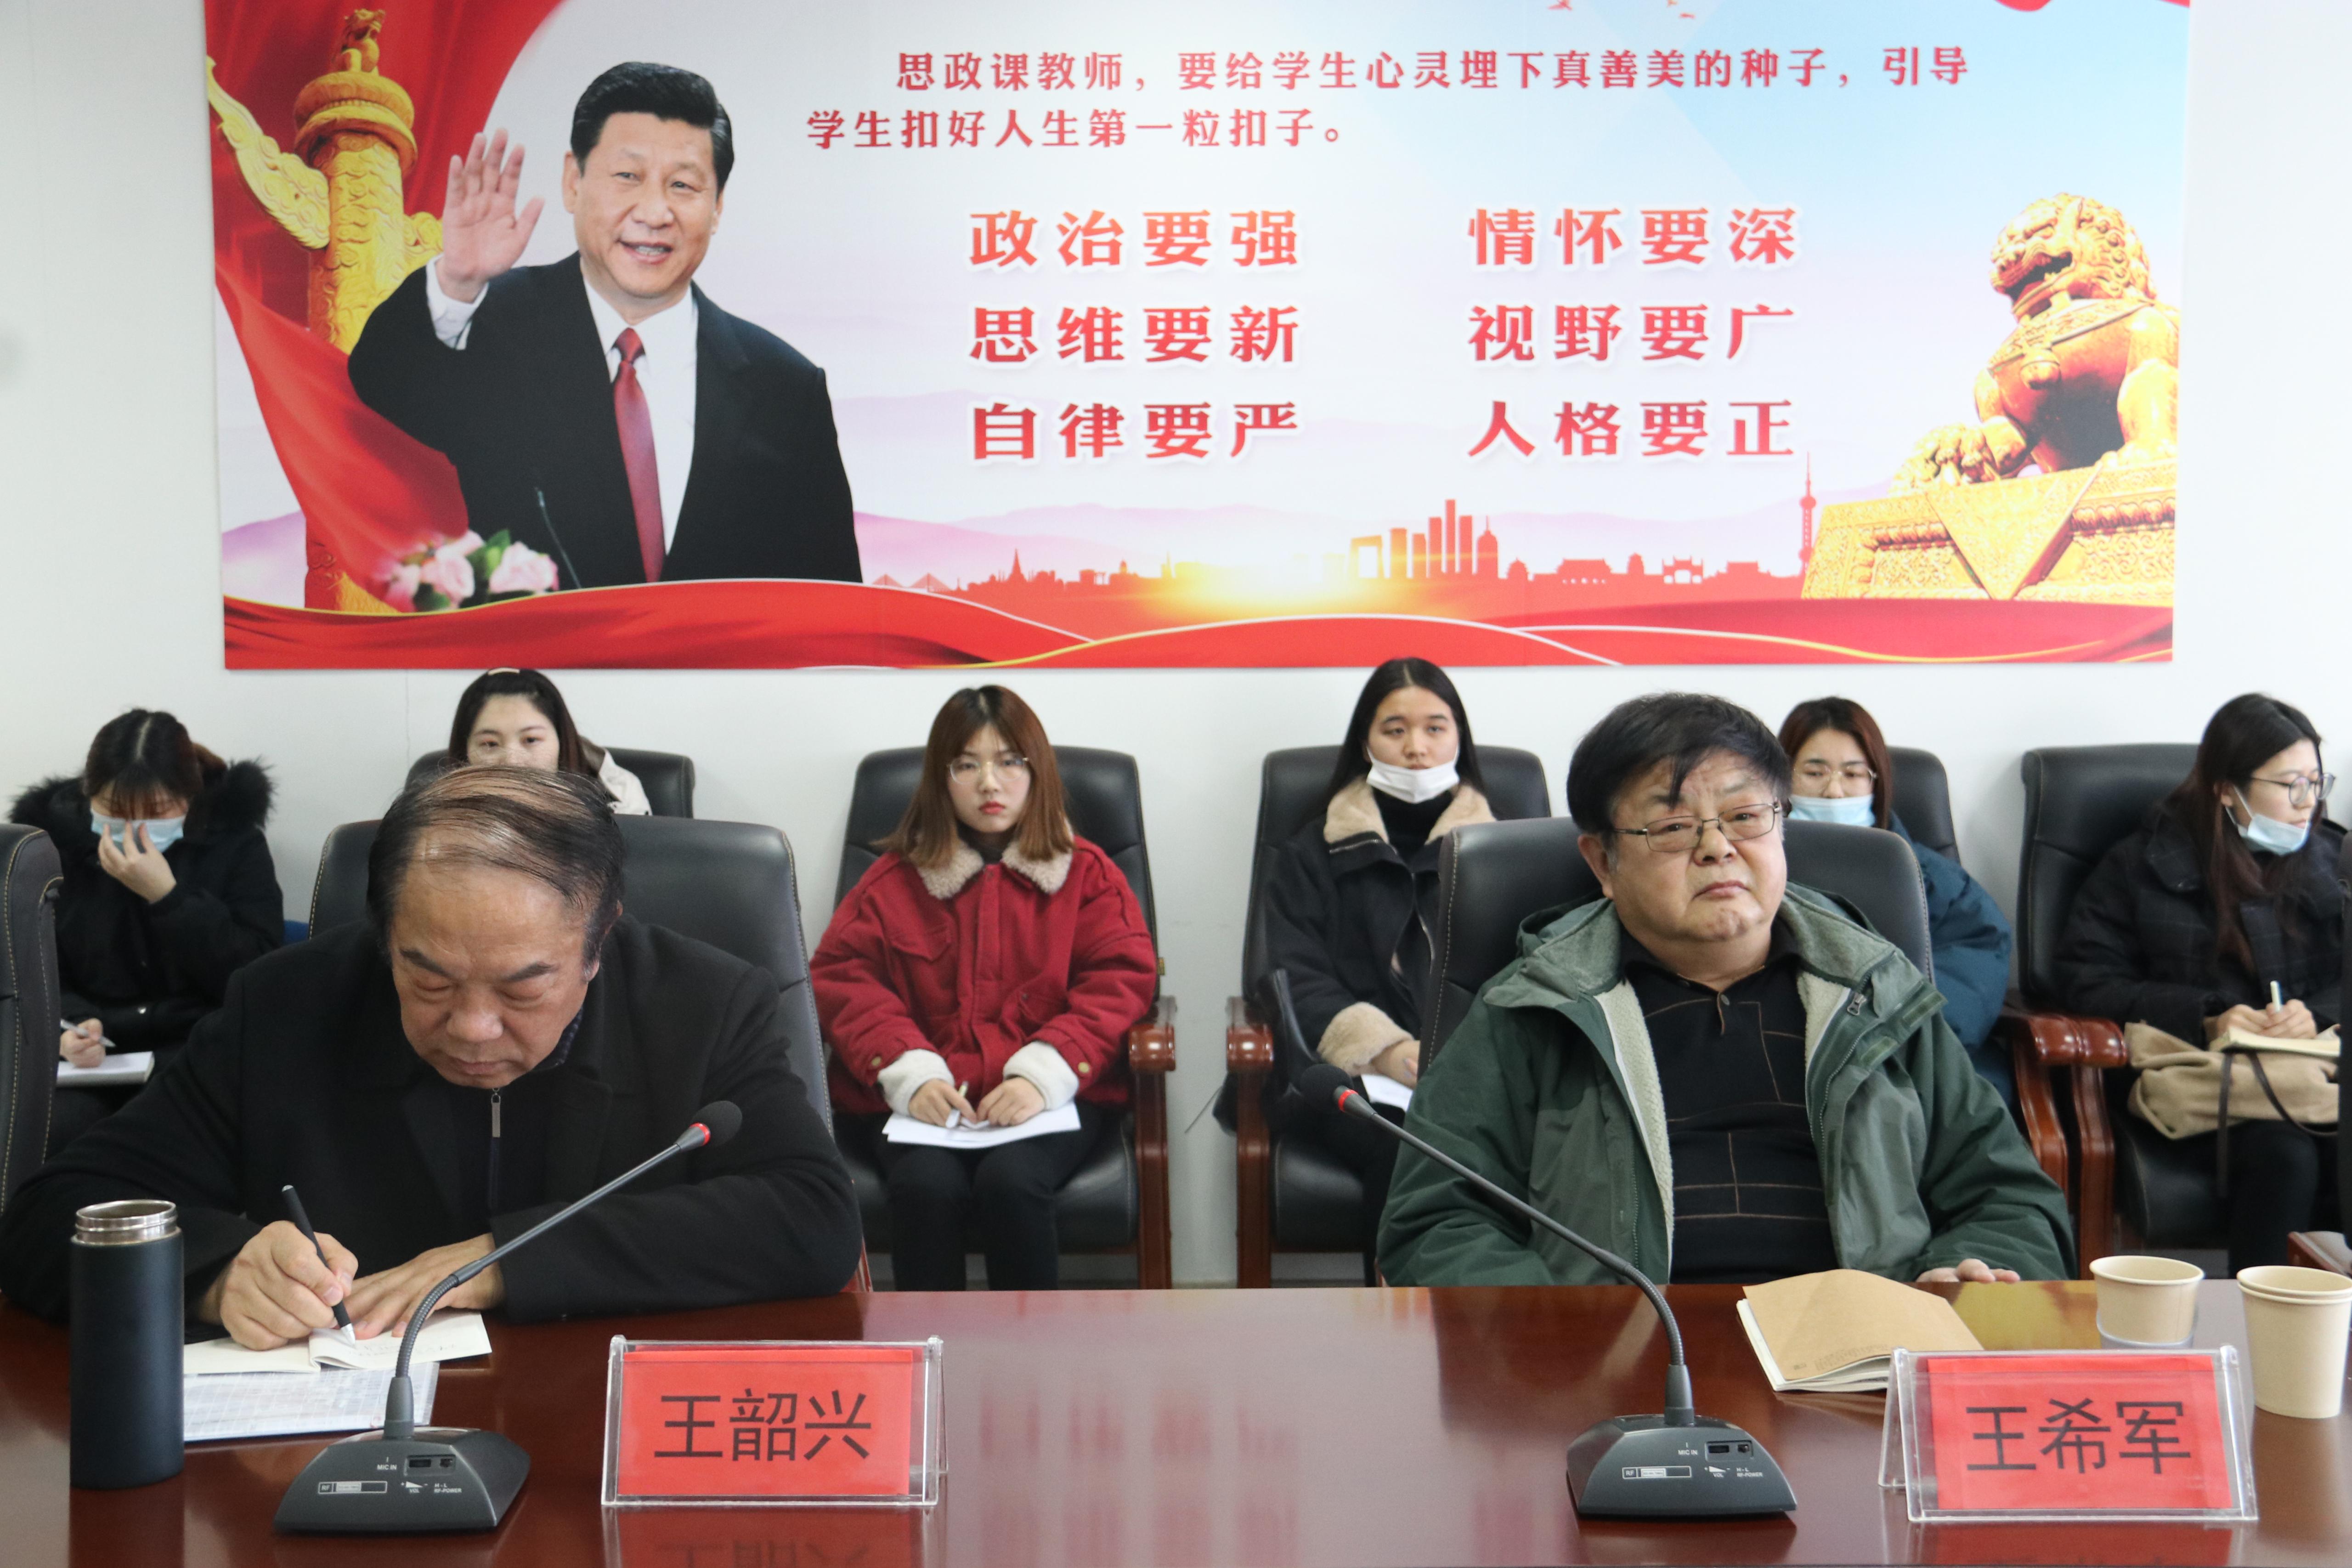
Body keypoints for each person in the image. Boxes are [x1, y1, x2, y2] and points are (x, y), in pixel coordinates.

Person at [0, 767, 862, 1342]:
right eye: (430, 977)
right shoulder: (286, 1008)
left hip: (598, 1442)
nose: (473, 1027)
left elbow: (815, 1219)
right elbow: (48, 1217)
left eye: (523, 988)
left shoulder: (702, 1004)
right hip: (341, 1460)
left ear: (600, 944)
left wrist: (506, 1260)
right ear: (386, 934)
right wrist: (214, 1272)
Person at [1381, 693, 2071, 1288]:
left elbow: (2013, 1201)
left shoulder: (1876, 992)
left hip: (1864, 1362)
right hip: (1622, 1363)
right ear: (1603, 862)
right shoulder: (1535, 1005)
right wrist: (1564, 1326)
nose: (1717, 848)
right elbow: (1434, 1219)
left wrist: (1961, 1276)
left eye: (1745, 817)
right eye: (1674, 827)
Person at [349, 63, 860, 590]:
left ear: (716, 207)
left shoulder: (785, 388)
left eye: (683, 185)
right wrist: (456, 279)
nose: (655, 213)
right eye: (627, 177)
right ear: (574, 181)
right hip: (531, 648)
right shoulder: (488, 326)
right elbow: (381, 385)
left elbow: (831, 600)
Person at [816, 687, 1157, 1291]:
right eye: (966, 765)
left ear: (1037, 771)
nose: (989, 784)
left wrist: (1043, 1074)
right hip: (927, 1104)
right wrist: (910, 1073)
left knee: (1013, 1183)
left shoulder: (1088, 876)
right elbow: (843, 977)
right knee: (926, 1186)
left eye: (1009, 762)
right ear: (941, 779)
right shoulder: (893, 880)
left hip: (1047, 1103)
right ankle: (933, 1347)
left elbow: (1121, 979)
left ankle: (1026, 1350)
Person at [2052, 693, 2344, 1274]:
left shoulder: (2335, 859)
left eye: (2315, 782)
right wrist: (2208, 1014)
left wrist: (2314, 1012)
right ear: (2226, 789)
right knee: (2284, 1156)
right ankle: (2263, 1319)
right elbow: (2084, 981)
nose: (2306, 803)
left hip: (2317, 1073)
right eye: (2289, 785)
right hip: (2207, 1081)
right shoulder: (2140, 865)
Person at [1259, 658, 1498, 1280]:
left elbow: (1529, 968)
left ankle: (1508, 1317)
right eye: (1395, 729)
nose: (1416, 748)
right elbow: (1294, 975)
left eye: (1435, 728)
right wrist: (1388, 1051)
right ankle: (1395, 1313)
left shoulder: (1505, 852)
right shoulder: (1312, 851)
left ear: (1459, 738)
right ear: (1364, 741)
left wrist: (1461, 1056)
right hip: (1354, 1080)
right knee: (1408, 1144)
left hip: (1480, 1071)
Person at [8, 711, 283, 1149]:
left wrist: (169, 898)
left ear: (189, 798)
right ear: (88, 796)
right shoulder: (52, 849)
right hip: (95, 1058)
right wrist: (69, 1028)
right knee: (53, 1138)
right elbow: (32, 966)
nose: (134, 828)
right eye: (116, 811)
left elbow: (259, 974)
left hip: (196, 1047)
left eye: (156, 812)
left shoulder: (235, 843)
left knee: (165, 1139)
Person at [1777, 698, 2017, 1106]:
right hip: (1789, 1056)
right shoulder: (1747, 872)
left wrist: (1887, 1029)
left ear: (1878, 783)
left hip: (1911, 1060)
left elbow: (1976, 957)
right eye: (1815, 772)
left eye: (1853, 773)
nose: (1834, 790)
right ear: (1781, 778)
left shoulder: (1930, 877)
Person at [446, 668, 651, 815]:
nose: (512, 762)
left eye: (531, 740)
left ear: (561, 740)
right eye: (490, 744)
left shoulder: (621, 801)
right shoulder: (442, 816)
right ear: (465, 752)